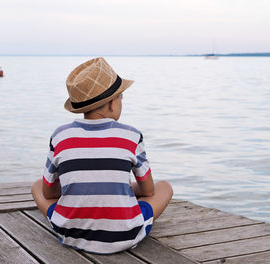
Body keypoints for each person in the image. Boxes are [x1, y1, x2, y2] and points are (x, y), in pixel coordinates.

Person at [31, 57, 173, 254]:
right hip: (125, 234)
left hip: (69, 233)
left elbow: (48, 193)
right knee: (164, 187)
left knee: (38, 185)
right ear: (112, 104)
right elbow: (148, 191)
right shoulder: (131, 135)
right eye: (121, 97)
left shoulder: (60, 135)